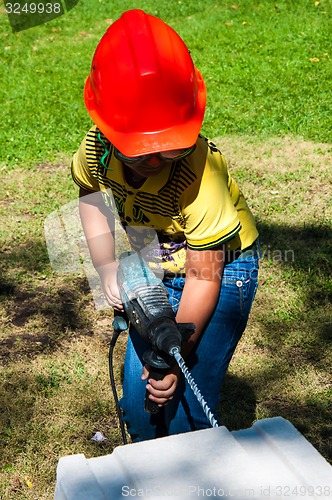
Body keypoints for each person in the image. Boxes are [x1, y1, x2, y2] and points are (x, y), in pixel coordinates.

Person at [72, 9, 260, 442]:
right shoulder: (95, 150)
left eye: (170, 148)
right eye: (141, 151)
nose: (156, 160)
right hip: (155, 260)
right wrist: (104, 268)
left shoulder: (199, 173)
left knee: (185, 408)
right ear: (108, 129)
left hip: (219, 270)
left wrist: (174, 358)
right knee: (143, 405)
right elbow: (91, 196)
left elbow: (202, 275)